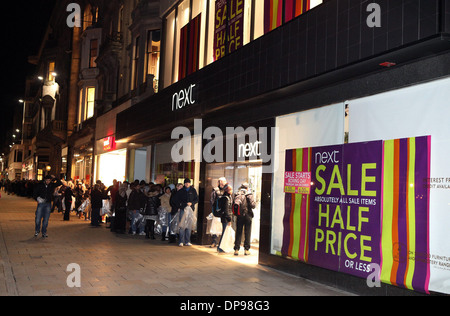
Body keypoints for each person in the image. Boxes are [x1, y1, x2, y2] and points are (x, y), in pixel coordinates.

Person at [233, 183, 256, 256]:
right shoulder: (249, 194)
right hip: (247, 215)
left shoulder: (237, 194)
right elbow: (253, 205)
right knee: (247, 232)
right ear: (247, 188)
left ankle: (236, 249)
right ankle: (246, 249)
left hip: (239, 215)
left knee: (238, 232)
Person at [174, 178, 198, 246]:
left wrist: (192, 203)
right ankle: (181, 241)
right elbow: (176, 200)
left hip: (190, 210)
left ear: (190, 183)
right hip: (183, 209)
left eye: (188, 183)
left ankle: (187, 241)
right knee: (182, 225)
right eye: (186, 183)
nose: (187, 184)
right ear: (184, 183)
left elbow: (196, 199)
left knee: (189, 225)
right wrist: (182, 205)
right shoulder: (181, 191)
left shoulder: (193, 190)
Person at [210, 177, 228, 248]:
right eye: (220, 182)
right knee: (215, 228)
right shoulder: (215, 190)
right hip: (217, 212)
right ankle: (214, 242)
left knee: (223, 228)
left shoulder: (227, 191)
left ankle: (222, 243)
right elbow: (212, 201)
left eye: (223, 182)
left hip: (224, 213)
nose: (222, 183)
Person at [217, 185, 233, 253]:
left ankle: (221, 246)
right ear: (228, 191)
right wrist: (229, 219)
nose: (232, 191)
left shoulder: (224, 197)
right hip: (225, 218)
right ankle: (220, 247)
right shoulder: (226, 198)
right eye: (231, 190)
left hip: (224, 217)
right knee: (224, 233)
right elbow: (226, 210)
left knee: (224, 232)